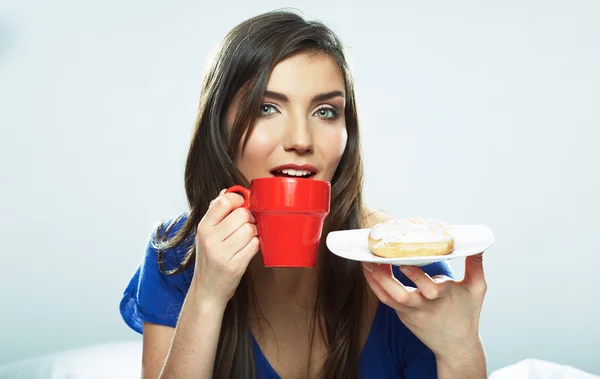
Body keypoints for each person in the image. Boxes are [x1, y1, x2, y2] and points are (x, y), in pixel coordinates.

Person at [119, 9, 488, 379]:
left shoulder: (407, 273)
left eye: (325, 111)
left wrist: (462, 351)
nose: (300, 140)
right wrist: (206, 296)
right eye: (267, 108)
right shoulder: (178, 255)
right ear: (220, 127)